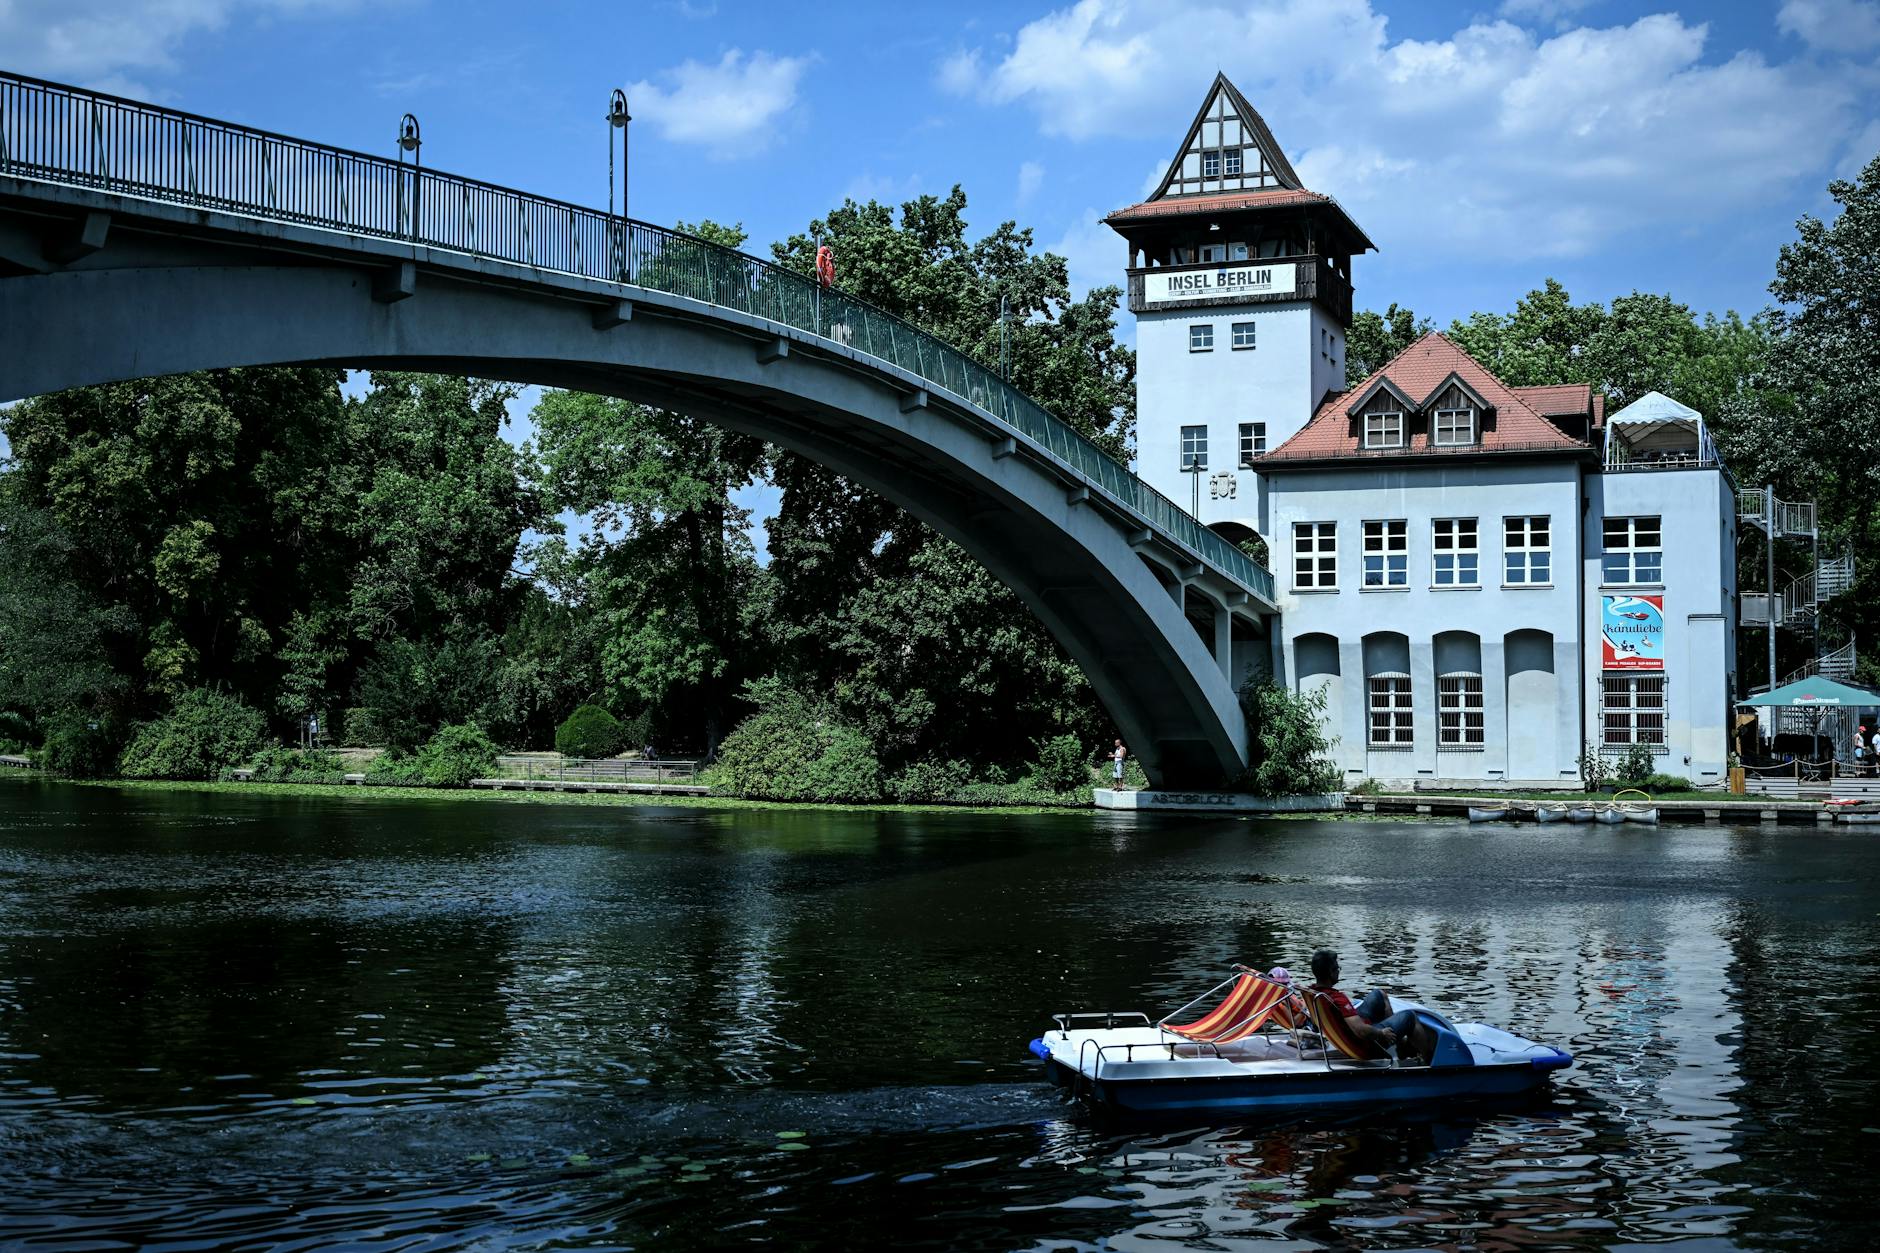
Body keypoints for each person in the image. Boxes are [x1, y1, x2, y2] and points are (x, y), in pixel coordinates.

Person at [1306, 948, 1435, 1063]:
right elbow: (1361, 1031)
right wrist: (1381, 1033)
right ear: (1330, 972)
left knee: (1378, 994)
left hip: (1350, 1031)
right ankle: (1429, 1059)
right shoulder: (1337, 999)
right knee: (1410, 1017)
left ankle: (1400, 1045)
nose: (1338, 972)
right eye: (1337, 969)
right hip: (1365, 1043)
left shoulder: (1313, 992)